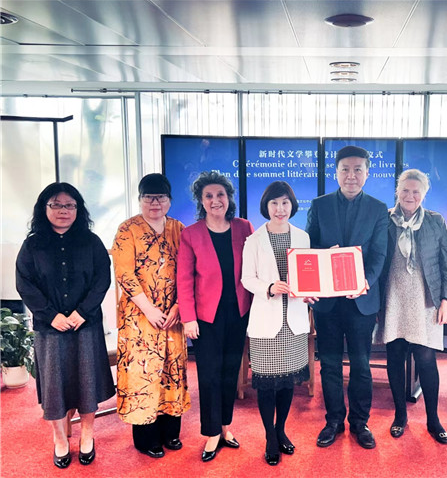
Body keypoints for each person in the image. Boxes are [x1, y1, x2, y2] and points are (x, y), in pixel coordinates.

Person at [16, 182, 114, 469]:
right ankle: (59, 439)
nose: (63, 210)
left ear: (78, 209)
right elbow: (25, 284)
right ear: (44, 208)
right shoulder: (32, 245)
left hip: (85, 324)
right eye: (56, 204)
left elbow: (102, 280)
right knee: (54, 386)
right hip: (50, 328)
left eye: (70, 205)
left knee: (87, 382)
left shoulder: (91, 242)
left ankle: (87, 435)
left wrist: (82, 312)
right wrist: (51, 315)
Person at [306, 145, 388, 450]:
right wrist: (321, 261)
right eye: (345, 169)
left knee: (361, 364)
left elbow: (379, 254)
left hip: (360, 300)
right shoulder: (320, 205)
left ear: (367, 173)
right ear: (336, 172)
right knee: (329, 364)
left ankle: (360, 422)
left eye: (357, 170)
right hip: (327, 301)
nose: (351, 176)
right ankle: (333, 421)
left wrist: (366, 282)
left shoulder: (379, 209)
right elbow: (310, 248)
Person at [112, 174, 190, 459]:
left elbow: (188, 271)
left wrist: (178, 307)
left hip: (173, 316)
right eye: (149, 197)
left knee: (172, 369)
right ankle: (146, 438)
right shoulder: (127, 229)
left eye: (161, 197)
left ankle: (170, 432)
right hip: (140, 316)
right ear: (140, 199)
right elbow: (124, 274)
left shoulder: (179, 229)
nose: (155, 203)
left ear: (169, 200)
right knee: (143, 372)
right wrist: (149, 309)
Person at [177, 171, 253, 462]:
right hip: (205, 317)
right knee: (209, 374)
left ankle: (225, 427)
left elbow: (257, 264)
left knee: (231, 371)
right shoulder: (191, 234)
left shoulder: (244, 227)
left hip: (238, 312)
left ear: (228, 198)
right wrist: (188, 317)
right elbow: (184, 279)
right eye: (208, 196)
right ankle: (211, 433)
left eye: (220, 194)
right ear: (201, 200)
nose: (215, 200)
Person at [377, 169, 447, 444]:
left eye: (416, 191)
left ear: (424, 194)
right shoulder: (384, 219)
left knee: (426, 359)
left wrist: (445, 301)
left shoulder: (435, 221)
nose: (410, 196)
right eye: (405, 190)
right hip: (393, 298)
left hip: (426, 300)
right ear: (397, 191)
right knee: (395, 357)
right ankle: (400, 416)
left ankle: (433, 420)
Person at [241, 181, 311, 466]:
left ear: (292, 205)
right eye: (274, 203)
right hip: (266, 322)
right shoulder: (254, 240)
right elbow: (247, 278)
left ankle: (281, 430)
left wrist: (309, 292)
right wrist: (269, 287)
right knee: (267, 385)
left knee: (287, 383)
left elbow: (308, 276)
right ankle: (270, 436)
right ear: (266, 206)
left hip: (294, 321)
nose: (280, 209)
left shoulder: (303, 237)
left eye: (285, 202)